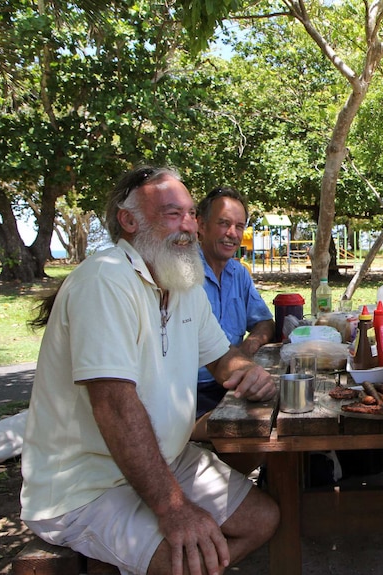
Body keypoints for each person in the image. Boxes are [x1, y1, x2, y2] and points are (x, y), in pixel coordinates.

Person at [20, 166, 280, 575]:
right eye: (172, 214)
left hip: (167, 459)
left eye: (192, 214)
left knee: (263, 520)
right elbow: (115, 407)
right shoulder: (106, 280)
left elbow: (221, 358)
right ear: (129, 220)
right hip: (87, 485)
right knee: (188, 559)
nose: (189, 227)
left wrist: (250, 372)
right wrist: (173, 509)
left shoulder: (181, 281)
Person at [193, 186, 274, 422]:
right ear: (201, 225)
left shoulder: (238, 272)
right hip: (193, 391)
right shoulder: (180, 275)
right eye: (224, 223)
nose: (232, 233)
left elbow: (265, 322)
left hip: (234, 380)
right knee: (258, 427)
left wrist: (245, 351)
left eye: (239, 226)